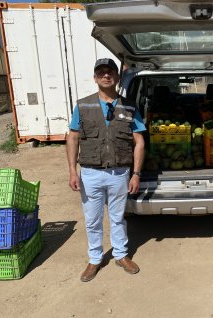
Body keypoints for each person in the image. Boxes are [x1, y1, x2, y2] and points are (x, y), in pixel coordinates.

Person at [66, 58, 146, 282]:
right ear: (95, 78)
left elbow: (139, 141)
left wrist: (136, 174)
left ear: (117, 77)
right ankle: (94, 259)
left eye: (110, 71)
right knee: (92, 219)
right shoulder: (83, 105)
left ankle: (121, 255)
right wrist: (73, 171)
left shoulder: (129, 106)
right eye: (100, 72)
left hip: (119, 173)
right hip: (90, 172)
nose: (106, 75)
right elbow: (73, 138)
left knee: (118, 217)